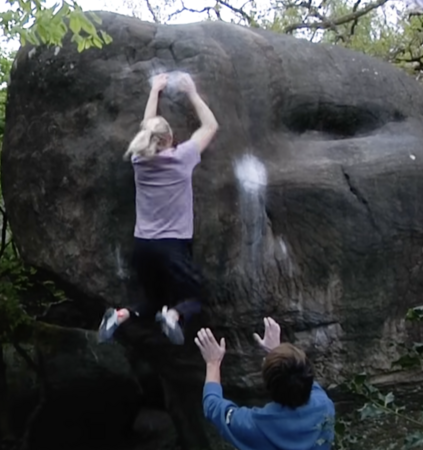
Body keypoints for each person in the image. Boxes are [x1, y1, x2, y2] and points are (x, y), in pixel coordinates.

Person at [98, 71, 219, 345]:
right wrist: (192, 92)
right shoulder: (182, 157)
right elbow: (210, 126)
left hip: (143, 245)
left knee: (152, 298)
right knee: (196, 297)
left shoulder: (139, 161)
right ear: (169, 139)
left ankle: (119, 315)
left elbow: (147, 128)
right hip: (172, 246)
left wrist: (155, 90)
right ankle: (173, 316)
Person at [194, 317, 336, 450]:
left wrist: (213, 362)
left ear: (268, 385)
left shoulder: (255, 426)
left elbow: (212, 405)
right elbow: (303, 378)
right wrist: (276, 353)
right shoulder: (325, 406)